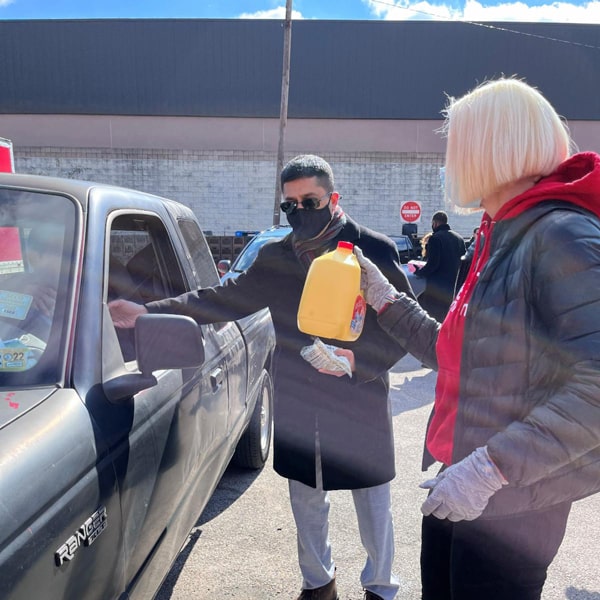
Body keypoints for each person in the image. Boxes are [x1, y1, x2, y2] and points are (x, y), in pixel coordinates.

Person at [109, 154, 415, 600]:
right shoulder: (276, 256)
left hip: (357, 397)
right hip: (298, 397)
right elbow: (224, 298)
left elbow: (403, 328)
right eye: (289, 205)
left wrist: (356, 364)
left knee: (372, 500)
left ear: (334, 199)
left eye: (309, 201)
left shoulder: (373, 250)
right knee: (306, 498)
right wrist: (149, 313)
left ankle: (382, 587)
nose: (299, 212)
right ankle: (318, 582)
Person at [351, 77, 600, 600]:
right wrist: (386, 301)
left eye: (456, 143)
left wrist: (492, 467)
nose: (450, 160)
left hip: (514, 499)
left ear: (491, 147)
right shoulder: (499, 232)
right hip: (465, 474)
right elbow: (462, 355)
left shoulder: (560, 235)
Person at [412, 211, 465, 321]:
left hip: (437, 289)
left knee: (433, 318)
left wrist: (419, 272)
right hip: (454, 287)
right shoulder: (459, 239)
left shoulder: (435, 239)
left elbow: (433, 264)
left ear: (435, 223)